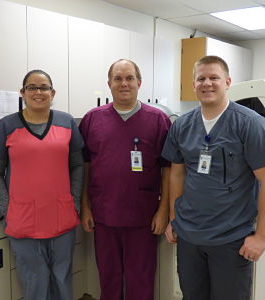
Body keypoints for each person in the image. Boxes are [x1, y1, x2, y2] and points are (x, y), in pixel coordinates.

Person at [162, 55, 265, 300]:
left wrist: (261, 237)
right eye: (201, 79)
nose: (207, 83)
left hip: (231, 238)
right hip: (190, 236)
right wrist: (174, 218)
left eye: (214, 77)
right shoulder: (182, 125)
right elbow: (177, 174)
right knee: (192, 295)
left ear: (227, 82)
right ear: (193, 85)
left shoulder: (251, 124)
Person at [0, 70, 84, 300]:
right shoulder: (6, 125)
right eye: (31, 87)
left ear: (53, 92)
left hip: (61, 216)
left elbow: (78, 166)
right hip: (23, 220)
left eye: (44, 87)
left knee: (62, 279)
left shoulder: (67, 122)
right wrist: (7, 209)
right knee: (34, 282)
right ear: (22, 93)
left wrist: (75, 201)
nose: (38, 92)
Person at [79, 59, 171, 300]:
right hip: (104, 215)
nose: (124, 83)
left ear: (139, 83)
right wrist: (85, 207)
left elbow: (168, 170)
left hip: (143, 216)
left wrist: (163, 211)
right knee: (108, 279)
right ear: (109, 83)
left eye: (129, 78)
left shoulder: (158, 120)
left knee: (140, 280)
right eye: (118, 78)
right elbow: (86, 166)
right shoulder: (92, 119)